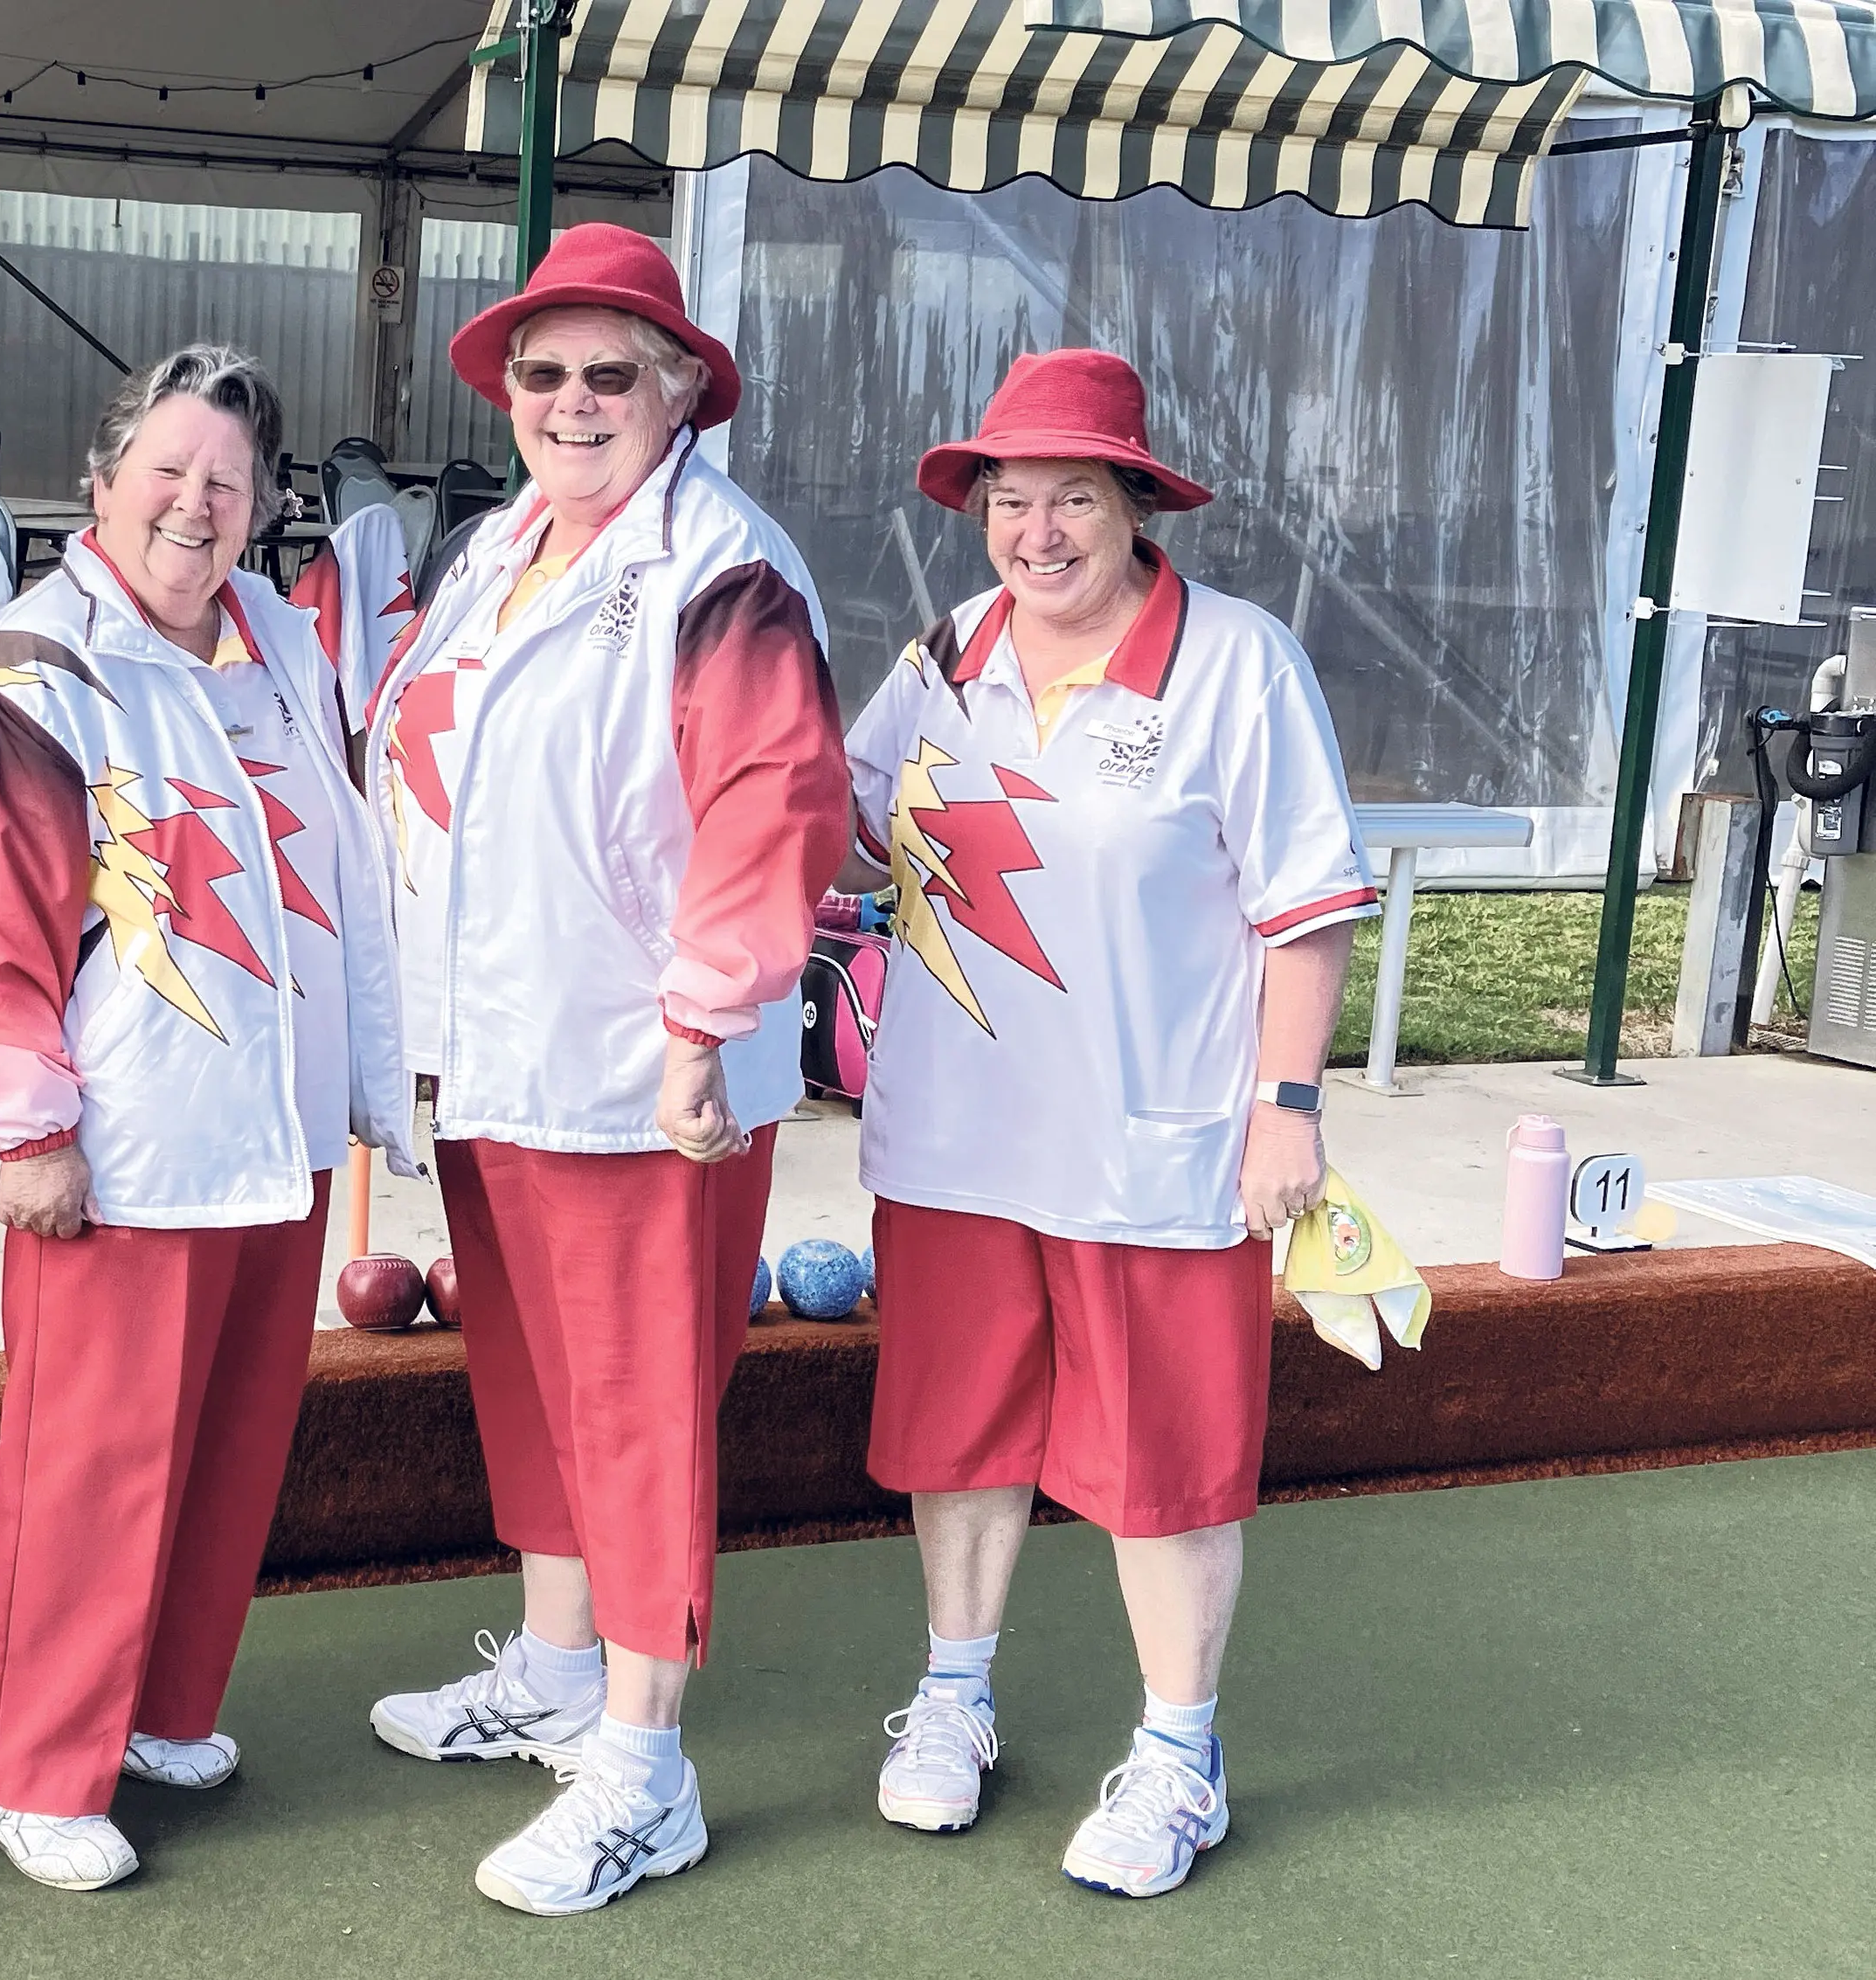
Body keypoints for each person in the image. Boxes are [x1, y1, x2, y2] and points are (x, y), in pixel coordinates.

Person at [360, 224, 852, 1916]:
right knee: (532, 1382)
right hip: (489, 1047)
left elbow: (771, 799)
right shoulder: (500, 546)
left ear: (677, 392)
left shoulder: (719, 566)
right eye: (541, 373)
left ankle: (645, 1763)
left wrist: (707, 1020)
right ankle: (559, 1670)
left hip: (640, 1071)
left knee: (636, 1408)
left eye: (607, 374)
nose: (569, 402)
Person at [840, 349, 1375, 1898]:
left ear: (1139, 504)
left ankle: (1181, 1752)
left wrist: (1287, 1102)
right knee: (958, 1438)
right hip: (953, 1137)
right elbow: (850, 821)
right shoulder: (945, 656)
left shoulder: (1239, 663)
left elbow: (1308, 908)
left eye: (1073, 495)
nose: (1037, 531)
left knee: (1168, 1461)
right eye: (1009, 500)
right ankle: (953, 1696)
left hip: (1153, 1146)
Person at [0, 344, 416, 1893]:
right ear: (102, 481)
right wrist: (26, 1125)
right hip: (126, 1138)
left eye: (229, 481)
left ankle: (156, 1706)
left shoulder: (277, 637)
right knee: (91, 1463)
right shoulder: (40, 659)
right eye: (169, 472)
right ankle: (28, 1757)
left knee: (223, 1447)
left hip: (267, 1133)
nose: (197, 506)